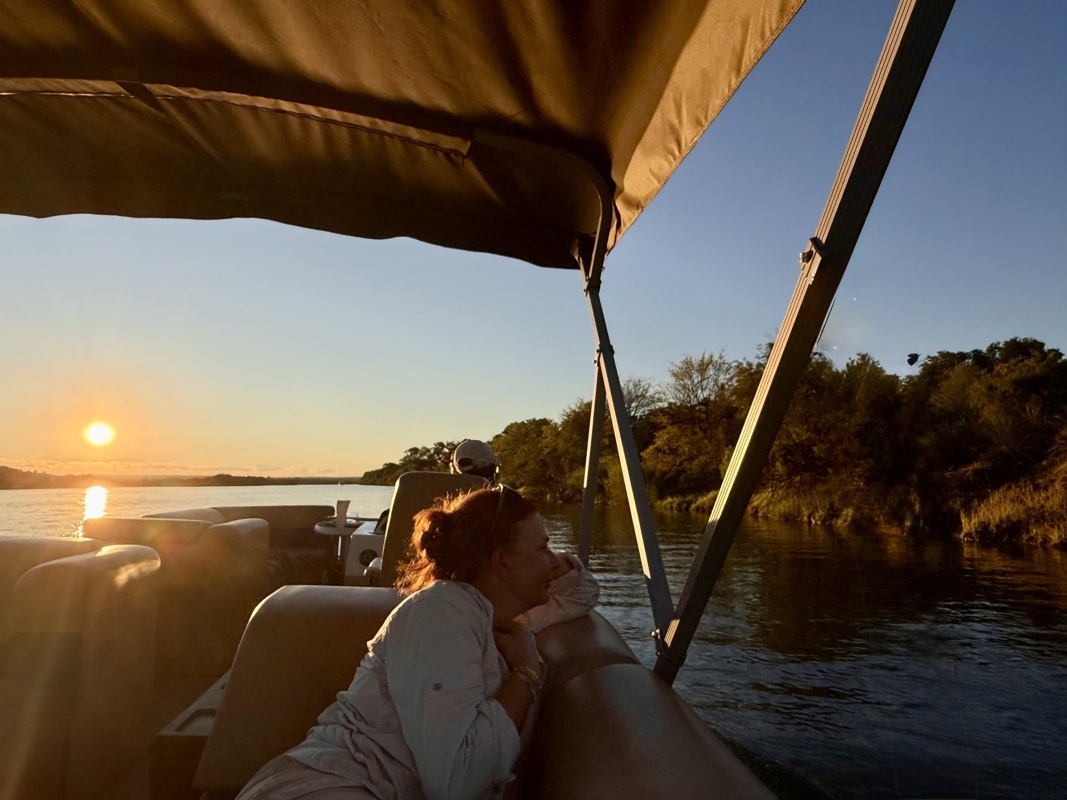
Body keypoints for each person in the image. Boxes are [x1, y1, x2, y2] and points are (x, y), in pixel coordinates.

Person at [237, 486, 599, 800]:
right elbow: (459, 782)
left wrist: (560, 568)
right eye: (543, 549)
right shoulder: (441, 611)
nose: (552, 561)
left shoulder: (502, 617)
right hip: (323, 786)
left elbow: (581, 595)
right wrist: (525, 673)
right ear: (502, 561)